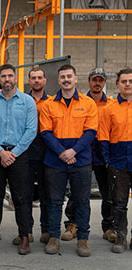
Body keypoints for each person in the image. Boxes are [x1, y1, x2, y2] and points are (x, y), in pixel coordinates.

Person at [40, 64, 98, 257]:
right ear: (58, 80)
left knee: (82, 202)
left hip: (80, 161)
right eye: (62, 77)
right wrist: (62, 153)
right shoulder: (49, 105)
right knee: (55, 201)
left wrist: (73, 151)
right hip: (55, 162)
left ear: (75, 79)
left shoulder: (88, 103)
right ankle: (54, 238)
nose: (66, 80)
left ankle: (83, 240)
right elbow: (46, 133)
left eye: (69, 77)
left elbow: (90, 132)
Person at [0, 64, 37, 255]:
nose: (7, 79)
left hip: (19, 156)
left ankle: (24, 237)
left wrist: (14, 153)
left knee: (21, 198)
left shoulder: (28, 102)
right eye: (3, 76)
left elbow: (31, 131)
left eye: (10, 76)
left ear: (15, 78)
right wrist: (1, 152)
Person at [62, 68, 116, 243]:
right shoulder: (81, 101)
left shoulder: (111, 104)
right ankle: (72, 224)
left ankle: (108, 226)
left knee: (107, 191)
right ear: (89, 81)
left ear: (105, 82)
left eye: (100, 80)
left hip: (102, 151)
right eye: (94, 80)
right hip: (83, 150)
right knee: (76, 191)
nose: (97, 83)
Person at [12, 67, 51, 245]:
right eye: (33, 78)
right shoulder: (20, 101)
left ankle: (47, 230)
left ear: (44, 80)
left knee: (46, 195)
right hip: (24, 155)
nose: (36, 80)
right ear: (28, 81)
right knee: (24, 195)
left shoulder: (51, 102)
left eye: (39, 77)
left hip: (46, 155)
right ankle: (26, 231)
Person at [99, 67, 132, 253]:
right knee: (119, 203)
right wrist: (107, 161)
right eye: (124, 81)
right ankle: (120, 237)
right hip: (118, 162)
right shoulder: (109, 109)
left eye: (130, 81)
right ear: (118, 84)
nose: (127, 84)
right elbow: (103, 137)